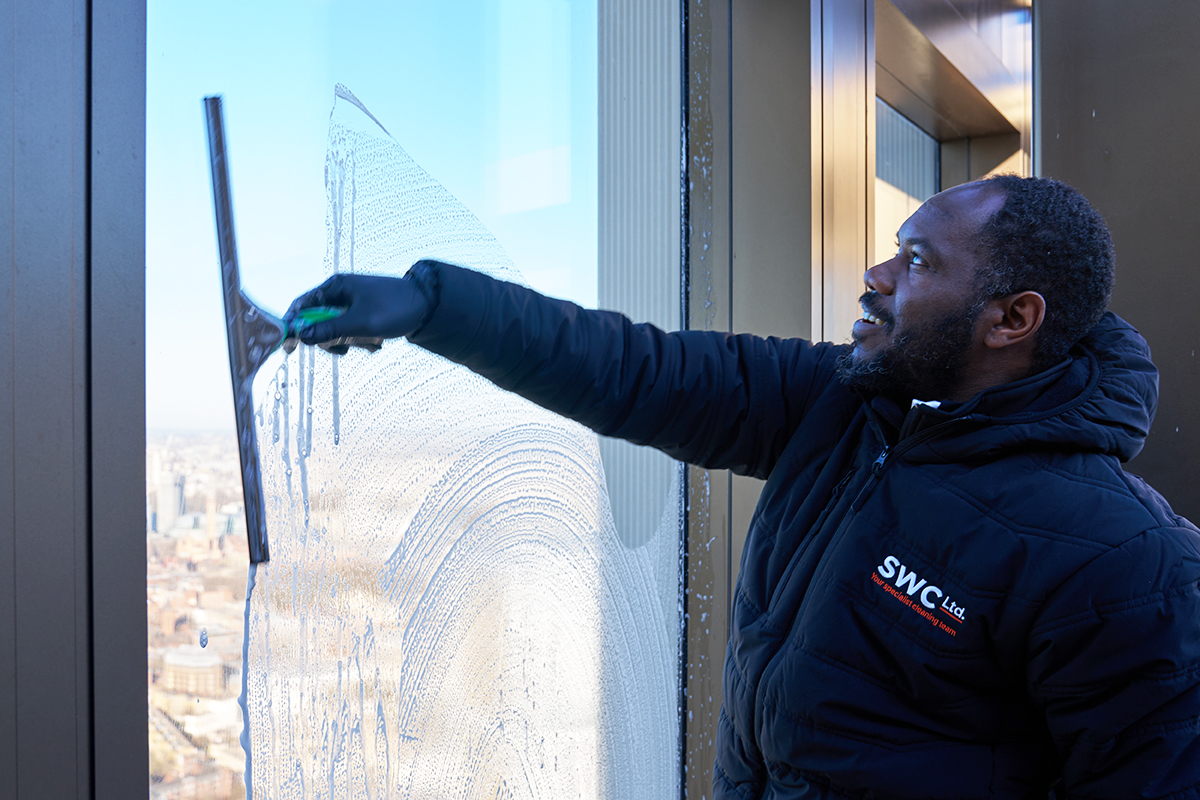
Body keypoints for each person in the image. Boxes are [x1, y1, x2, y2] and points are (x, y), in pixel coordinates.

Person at [285, 175, 1200, 799]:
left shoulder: (1127, 562)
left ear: (1012, 318)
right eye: (894, 249)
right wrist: (432, 308)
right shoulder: (844, 409)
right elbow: (640, 371)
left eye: (918, 263)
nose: (876, 278)